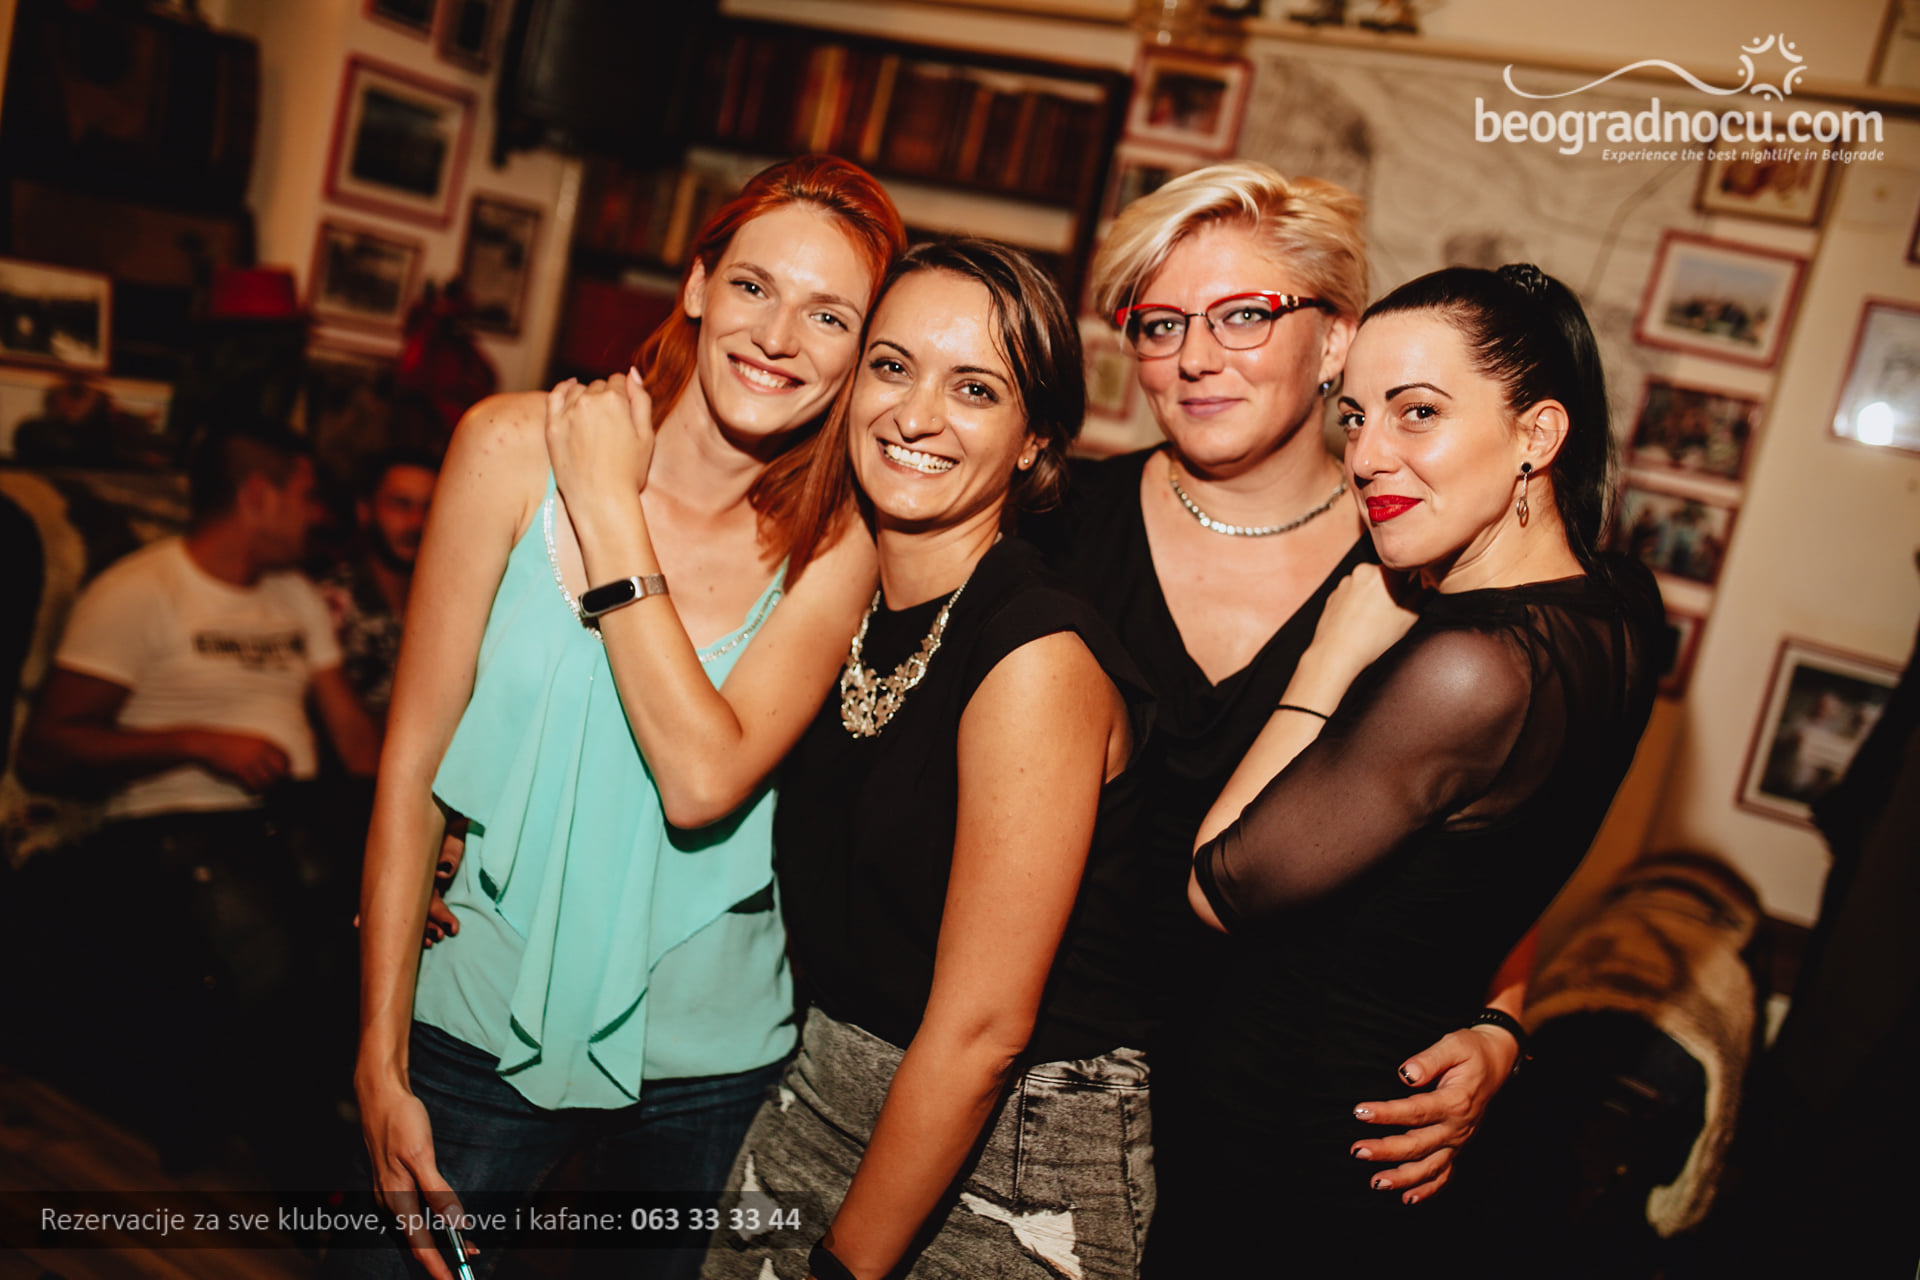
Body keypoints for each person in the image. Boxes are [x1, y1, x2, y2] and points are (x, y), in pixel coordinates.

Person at [339, 155, 905, 1280]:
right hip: (472, 1021)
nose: (778, 336)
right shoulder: (510, 446)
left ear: (861, 353)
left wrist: (608, 506)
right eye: (754, 286)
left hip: (708, 1061)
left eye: (829, 314)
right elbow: (412, 763)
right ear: (697, 284)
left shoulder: (842, 541)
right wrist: (379, 1055)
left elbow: (704, 780)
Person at [1030, 161, 1529, 1223]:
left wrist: (1502, 1021)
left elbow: (1488, 840)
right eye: (1160, 324)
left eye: (1245, 314)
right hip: (1035, 1080)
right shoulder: (1053, 525)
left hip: (1274, 1121)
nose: (1194, 358)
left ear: (1338, 338)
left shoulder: (1422, 568)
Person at [1172, 263, 1662, 1268]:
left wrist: (1332, 655)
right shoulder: (1622, 611)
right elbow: (1493, 858)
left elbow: (1217, 887)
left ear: (1537, 435)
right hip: (1378, 1134)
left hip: (1289, 1152)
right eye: (1354, 418)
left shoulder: (1470, 667)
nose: (1367, 455)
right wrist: (1502, 1020)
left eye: (1419, 412)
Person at [701, 239, 1154, 1280]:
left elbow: (983, 1030)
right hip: (824, 1084)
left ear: (1035, 440)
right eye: (893, 366)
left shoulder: (1036, 655)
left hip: (1019, 1151)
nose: (915, 415)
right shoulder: (855, 602)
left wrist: (845, 1268)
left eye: (975, 389)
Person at [19, 418, 379, 1184]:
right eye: (306, 494)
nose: (317, 514)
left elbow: (355, 742)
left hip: (292, 814)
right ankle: (316, 1176)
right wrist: (197, 742)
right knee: (266, 951)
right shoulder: (141, 592)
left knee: (364, 928)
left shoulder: (296, 595)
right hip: (173, 822)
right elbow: (45, 749)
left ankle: (357, 1121)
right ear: (258, 495)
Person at [321, 446, 441, 727]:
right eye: (400, 504)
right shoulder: (329, 600)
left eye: (430, 507)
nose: (416, 522)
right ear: (364, 510)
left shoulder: (456, 603)